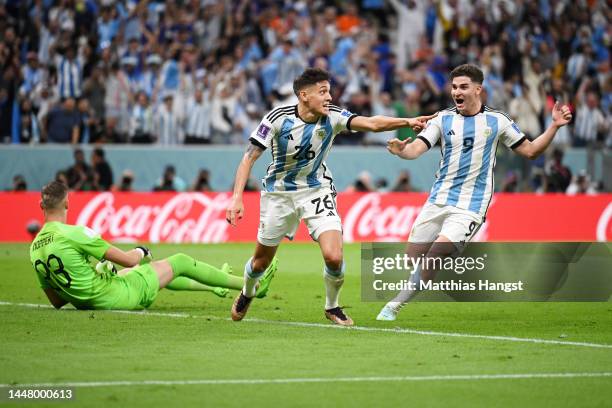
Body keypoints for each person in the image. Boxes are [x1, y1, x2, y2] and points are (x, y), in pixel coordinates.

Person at [226, 67, 434, 326]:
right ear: (304, 95)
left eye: (329, 91)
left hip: (316, 190)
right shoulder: (277, 118)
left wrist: (406, 121)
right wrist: (237, 197)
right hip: (279, 195)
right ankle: (247, 292)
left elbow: (371, 123)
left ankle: (332, 306)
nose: (329, 97)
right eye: (322, 92)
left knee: (334, 256)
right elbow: (249, 157)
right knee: (260, 263)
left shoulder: (333, 117)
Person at [376, 64, 573, 321]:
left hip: (472, 204)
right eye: (454, 87)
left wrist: (555, 126)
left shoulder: (498, 121)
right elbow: (415, 150)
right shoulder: (442, 119)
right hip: (438, 199)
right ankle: (437, 271)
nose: (457, 92)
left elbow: (531, 151)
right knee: (414, 257)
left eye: (463, 87)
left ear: (478, 89)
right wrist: (400, 150)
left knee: (435, 255)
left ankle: (393, 306)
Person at [30, 181, 276, 310]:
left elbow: (57, 302)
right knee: (177, 261)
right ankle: (251, 286)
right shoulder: (75, 233)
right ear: (67, 204)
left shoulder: (34, 248)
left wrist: (93, 275)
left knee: (141, 271)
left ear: (42, 206)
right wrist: (141, 251)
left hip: (93, 297)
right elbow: (128, 258)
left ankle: (212, 286)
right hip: (116, 297)